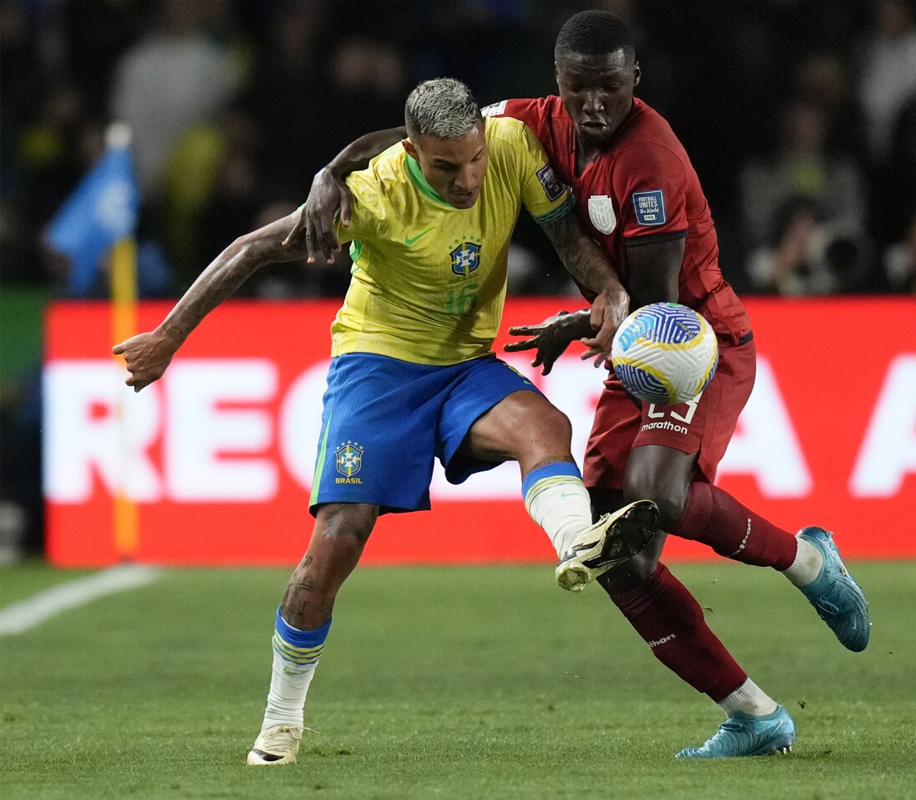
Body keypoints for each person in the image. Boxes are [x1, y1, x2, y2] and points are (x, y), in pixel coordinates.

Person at [292, 11, 871, 758]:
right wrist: (333, 171)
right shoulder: (533, 121)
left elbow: (653, 300)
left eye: (609, 87)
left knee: (658, 493)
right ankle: (754, 715)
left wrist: (593, 314)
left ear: (636, 80)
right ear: (557, 82)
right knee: (615, 553)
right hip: (632, 348)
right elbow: (417, 145)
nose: (593, 104)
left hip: (690, 340)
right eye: (577, 89)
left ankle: (808, 560)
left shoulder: (650, 160)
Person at [112, 77, 661, 766]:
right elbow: (252, 249)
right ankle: (281, 719)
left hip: (463, 362)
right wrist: (167, 337)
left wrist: (607, 288)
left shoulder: (512, 146)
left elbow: (566, 234)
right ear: (411, 152)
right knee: (338, 540)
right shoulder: (372, 194)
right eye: (446, 167)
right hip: (378, 370)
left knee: (545, 429)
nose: (467, 180)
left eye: (474, 162)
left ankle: (579, 542)